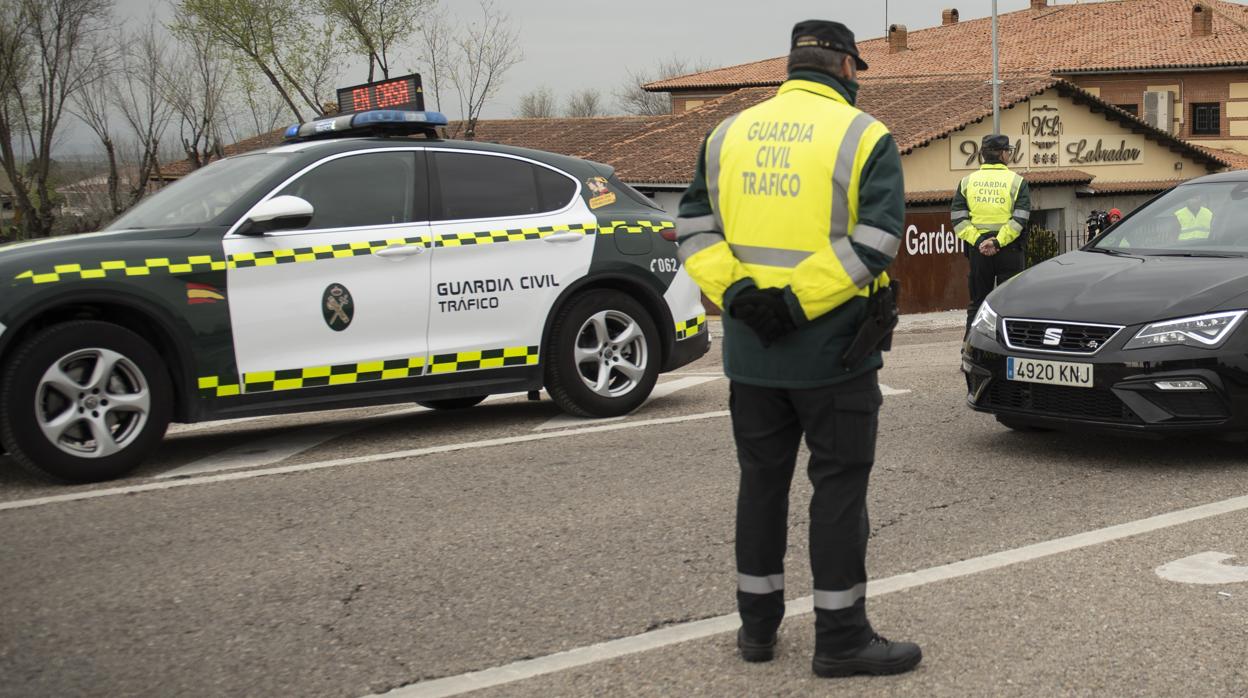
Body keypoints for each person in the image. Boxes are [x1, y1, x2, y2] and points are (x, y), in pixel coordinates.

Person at [674, 19, 921, 679]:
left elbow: (692, 226)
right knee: (838, 489)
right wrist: (797, 303)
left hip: (751, 357)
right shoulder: (864, 136)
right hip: (833, 354)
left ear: (793, 65)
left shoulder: (726, 134)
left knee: (760, 484)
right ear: (844, 67)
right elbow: (874, 242)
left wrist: (741, 295)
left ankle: (757, 631)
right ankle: (841, 637)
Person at [951, 135, 1031, 334]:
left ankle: (969, 350)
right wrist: (997, 241)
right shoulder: (1017, 182)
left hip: (979, 252)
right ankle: (1008, 351)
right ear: (1003, 154)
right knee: (1010, 305)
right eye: (1008, 151)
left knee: (978, 304)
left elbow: (958, 220)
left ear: (983, 155)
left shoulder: (966, 182)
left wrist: (980, 241)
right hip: (1009, 250)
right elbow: (1020, 219)